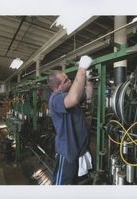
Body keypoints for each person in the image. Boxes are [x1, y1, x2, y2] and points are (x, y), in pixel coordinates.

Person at [47, 55, 94, 185]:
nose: (69, 81)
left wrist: (88, 79)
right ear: (57, 87)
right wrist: (82, 69)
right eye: (66, 80)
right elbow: (73, 99)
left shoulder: (69, 95)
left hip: (81, 149)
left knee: (80, 182)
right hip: (68, 152)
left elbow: (89, 95)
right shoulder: (55, 99)